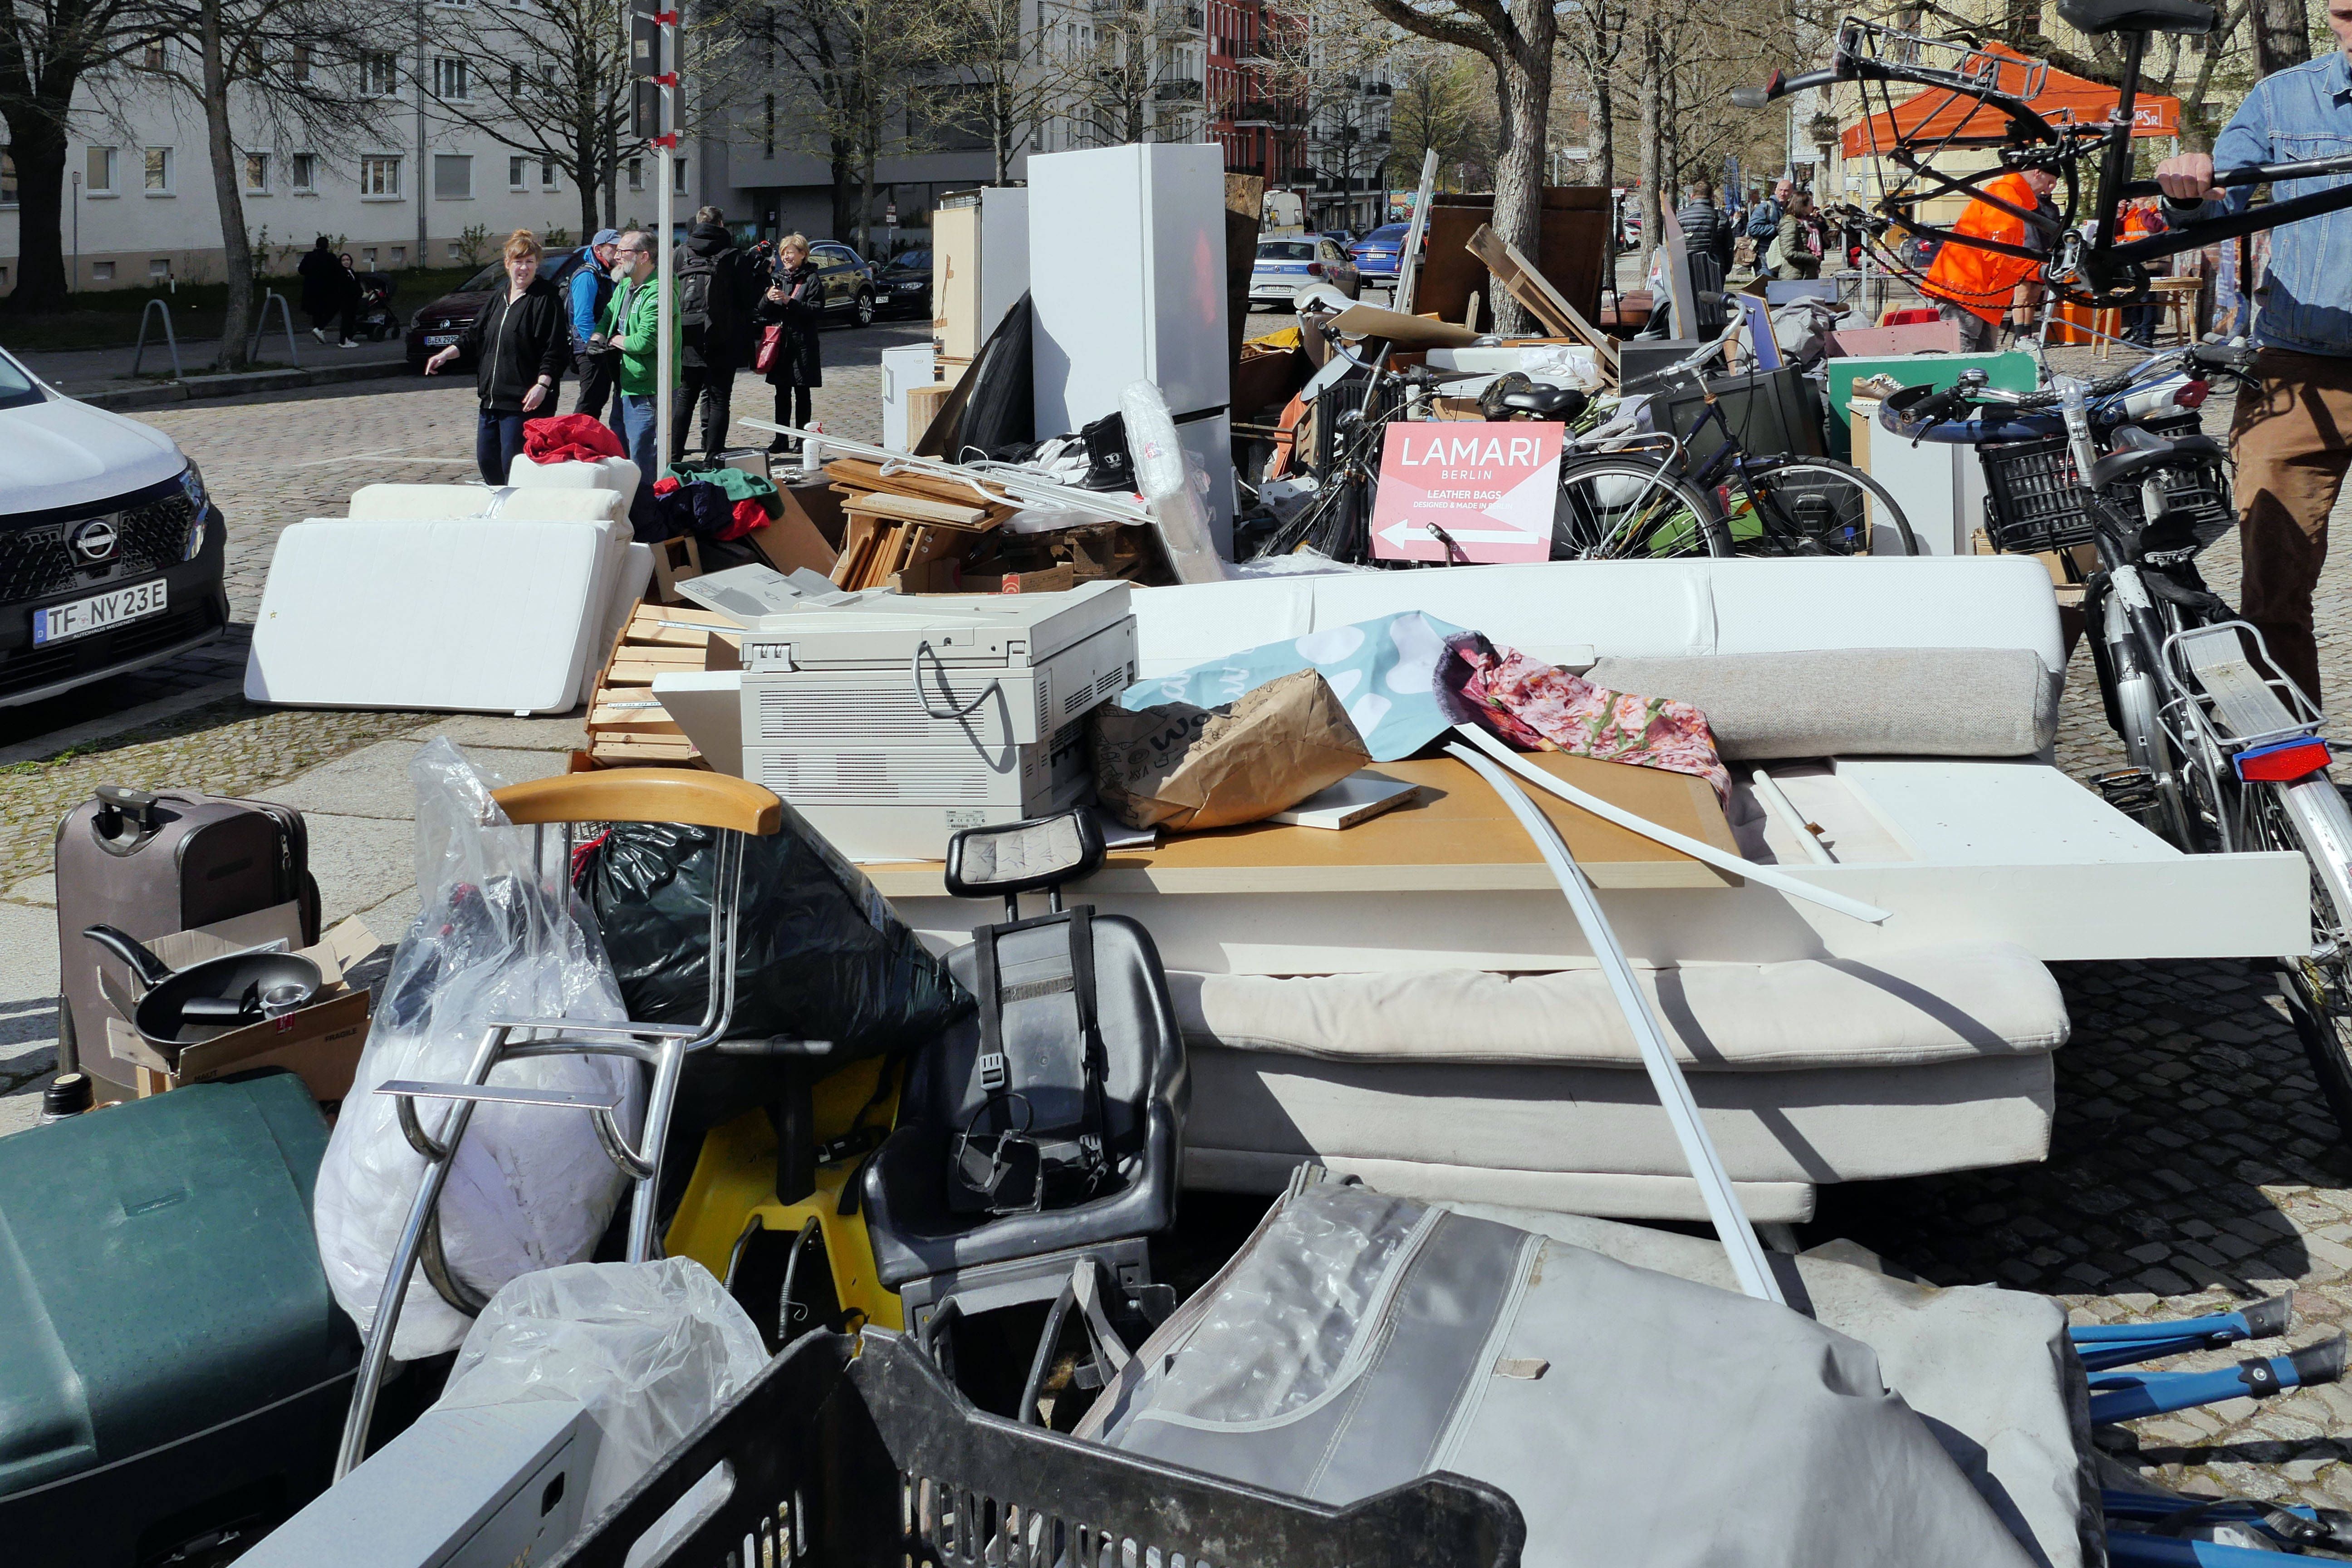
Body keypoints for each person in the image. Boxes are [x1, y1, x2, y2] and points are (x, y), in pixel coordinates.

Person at [2156, 12, 2352, 709]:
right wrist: (2186, 192)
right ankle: (2295, 765)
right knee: (2273, 589)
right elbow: (2218, 208)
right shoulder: (2280, 98)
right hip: (2299, 372)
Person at [423, 228, 570, 485]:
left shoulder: (546, 299)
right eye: (518, 262)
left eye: (529, 262)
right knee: (487, 460)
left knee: (513, 466)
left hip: (524, 402)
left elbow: (555, 349)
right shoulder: (499, 297)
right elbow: (474, 335)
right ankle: (500, 504)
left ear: (537, 265)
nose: (523, 268)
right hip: (492, 400)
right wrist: (446, 354)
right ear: (507, 264)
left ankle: (519, 507)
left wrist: (543, 385)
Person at [1916, 165, 2060, 352]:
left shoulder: (2012, 196)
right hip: (1968, 291)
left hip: (1979, 293)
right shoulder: (2006, 194)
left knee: (1978, 361)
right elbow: (1999, 252)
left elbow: (2003, 253)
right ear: (2037, 173)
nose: (2050, 189)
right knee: (1961, 359)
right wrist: (2039, 270)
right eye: (2050, 182)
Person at [671, 206, 753, 466]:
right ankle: (712, 459)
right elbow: (747, 299)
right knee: (719, 400)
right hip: (723, 337)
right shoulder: (733, 255)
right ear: (721, 224)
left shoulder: (681, 253)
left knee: (686, 397)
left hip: (688, 336)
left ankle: (674, 457)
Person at [601, 228, 679, 480]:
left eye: (623, 251)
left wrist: (614, 340)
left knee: (644, 461)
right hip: (626, 384)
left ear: (644, 257)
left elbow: (644, 342)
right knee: (622, 456)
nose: (616, 256)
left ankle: (649, 503)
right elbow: (608, 315)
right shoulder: (626, 284)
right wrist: (598, 336)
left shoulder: (659, 292)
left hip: (650, 390)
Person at [750, 233, 822, 456]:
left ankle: (802, 439)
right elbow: (762, 311)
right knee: (781, 393)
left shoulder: (812, 279)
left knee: (802, 393)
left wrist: (790, 302)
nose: (786, 257)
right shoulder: (777, 278)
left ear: (803, 254)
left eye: (790, 253)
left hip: (802, 344)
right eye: (783, 253)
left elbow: (816, 310)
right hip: (781, 345)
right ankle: (781, 438)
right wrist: (768, 298)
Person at [570, 228, 622, 424]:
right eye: (613, 248)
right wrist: (594, 345)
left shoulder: (609, 273)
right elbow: (583, 318)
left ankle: (591, 438)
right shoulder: (587, 276)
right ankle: (576, 437)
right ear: (598, 250)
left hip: (604, 347)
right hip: (589, 349)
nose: (618, 253)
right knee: (590, 402)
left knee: (599, 399)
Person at [2119, 197, 2166, 346]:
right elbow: (2119, 232)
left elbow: (2154, 227)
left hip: (2151, 261)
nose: (2135, 198)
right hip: (2133, 261)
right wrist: (2119, 215)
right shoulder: (2132, 212)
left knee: (2148, 298)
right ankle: (2136, 330)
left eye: (2139, 196)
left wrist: (2143, 209)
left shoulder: (2155, 210)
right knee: (2134, 297)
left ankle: (2147, 335)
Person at [298, 236, 349, 346]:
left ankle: (319, 334)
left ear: (316, 245)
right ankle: (320, 329)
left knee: (316, 312)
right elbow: (338, 271)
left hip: (311, 289)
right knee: (334, 308)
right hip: (327, 289)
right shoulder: (330, 257)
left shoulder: (309, 256)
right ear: (327, 246)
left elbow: (301, 270)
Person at [1675, 179, 1732, 274]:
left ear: (1692, 196)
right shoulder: (1721, 217)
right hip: (1715, 269)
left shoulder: (1679, 217)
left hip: (1687, 270)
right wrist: (1725, 270)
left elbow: (1675, 247)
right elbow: (1729, 247)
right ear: (1712, 196)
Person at [1772, 191, 1824, 280]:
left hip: (1808, 274)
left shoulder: (1808, 222)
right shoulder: (1790, 223)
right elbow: (1789, 253)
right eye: (1811, 204)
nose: (1813, 207)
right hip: (1794, 276)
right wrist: (1813, 259)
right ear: (1802, 206)